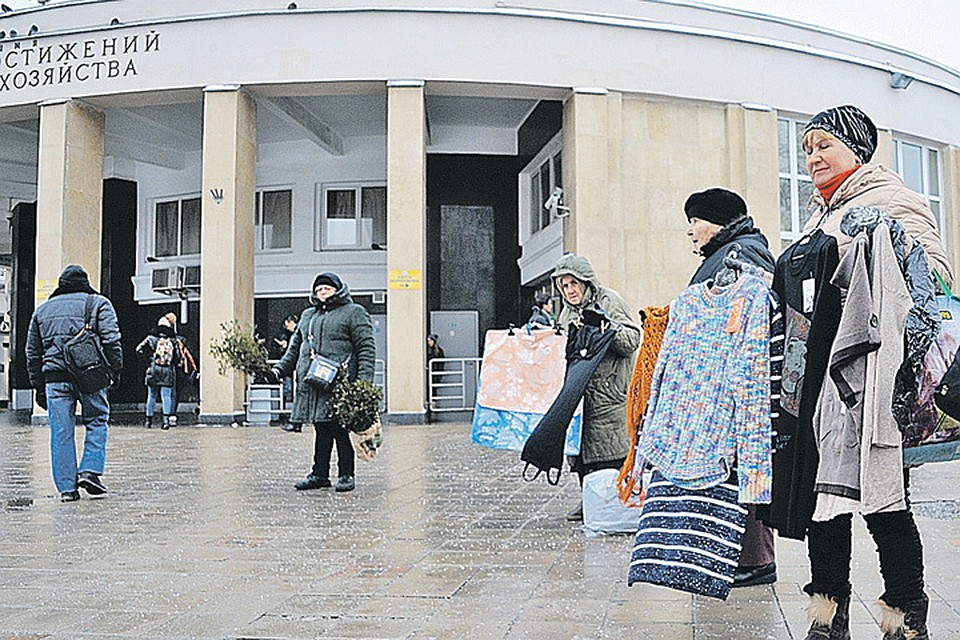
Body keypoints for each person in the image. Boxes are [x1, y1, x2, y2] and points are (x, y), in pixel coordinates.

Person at [789, 105, 950, 639]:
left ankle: (905, 619)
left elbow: (935, 282)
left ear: (856, 149)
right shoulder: (821, 214)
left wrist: (881, 245)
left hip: (876, 378)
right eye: (807, 148)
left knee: (885, 503)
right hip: (823, 384)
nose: (812, 157)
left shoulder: (894, 202)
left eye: (823, 146)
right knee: (824, 504)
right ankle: (826, 618)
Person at [682, 187, 779, 588]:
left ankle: (756, 560)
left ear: (719, 221)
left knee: (741, 467)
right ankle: (739, 555)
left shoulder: (741, 255)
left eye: (696, 221)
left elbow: (740, 319)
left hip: (736, 383)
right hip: (727, 380)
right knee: (733, 467)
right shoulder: (730, 252)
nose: (690, 231)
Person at [551, 254, 641, 521]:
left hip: (610, 392)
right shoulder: (568, 311)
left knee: (612, 451)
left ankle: (620, 499)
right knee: (581, 453)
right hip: (579, 392)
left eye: (573, 283)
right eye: (564, 286)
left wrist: (607, 327)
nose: (570, 290)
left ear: (586, 281)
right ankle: (589, 498)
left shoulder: (609, 301)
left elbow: (631, 340)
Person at [25, 264, 123, 502]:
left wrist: (38, 387)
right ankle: (89, 470)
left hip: (55, 379)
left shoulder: (42, 310)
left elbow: (32, 353)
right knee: (97, 419)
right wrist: (115, 370)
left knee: (60, 431)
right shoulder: (98, 303)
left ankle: (67, 490)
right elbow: (112, 339)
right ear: (85, 283)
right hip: (90, 374)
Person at [273, 272, 376, 493]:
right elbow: (294, 349)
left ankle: (346, 474)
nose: (322, 293)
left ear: (337, 290)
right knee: (321, 428)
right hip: (314, 383)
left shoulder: (354, 312)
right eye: (319, 290)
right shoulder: (308, 315)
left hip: (341, 383)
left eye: (327, 289)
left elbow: (366, 349)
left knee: (341, 429)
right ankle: (319, 474)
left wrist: (363, 384)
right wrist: (278, 370)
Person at [136, 316, 181, 430]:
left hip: (153, 368)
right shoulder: (173, 339)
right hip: (167, 370)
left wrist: (148, 361)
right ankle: (165, 421)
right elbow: (178, 356)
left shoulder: (151, 338)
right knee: (166, 396)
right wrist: (172, 363)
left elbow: (138, 349)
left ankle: (148, 421)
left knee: (151, 396)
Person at [271, 315, 302, 432]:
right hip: (293, 369)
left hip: (296, 369)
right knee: (296, 393)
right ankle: (295, 421)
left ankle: (296, 421)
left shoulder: (296, 333)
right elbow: (290, 353)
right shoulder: (289, 334)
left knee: (298, 393)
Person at [164, 312, 198, 418]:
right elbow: (191, 355)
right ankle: (172, 413)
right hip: (180, 368)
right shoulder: (181, 339)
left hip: (165, 368)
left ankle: (167, 413)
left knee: (166, 392)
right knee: (175, 392)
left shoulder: (162, 339)